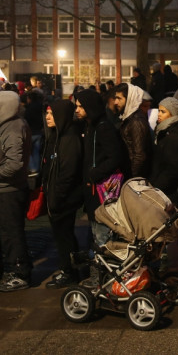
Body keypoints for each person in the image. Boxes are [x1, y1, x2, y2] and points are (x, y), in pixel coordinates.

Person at [0, 90, 32, 292]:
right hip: (11, 187)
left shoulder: (12, 127)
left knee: (11, 232)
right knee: (11, 231)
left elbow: (15, 162)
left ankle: (19, 273)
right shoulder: (10, 125)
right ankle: (18, 268)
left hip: (10, 189)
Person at [41, 99, 83, 289]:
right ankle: (72, 267)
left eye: (52, 113)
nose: (48, 117)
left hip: (64, 198)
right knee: (62, 234)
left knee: (63, 235)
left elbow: (68, 172)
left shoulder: (69, 138)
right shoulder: (56, 135)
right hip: (57, 196)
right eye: (47, 113)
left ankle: (68, 271)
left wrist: (57, 197)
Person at [74, 89, 123, 251]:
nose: (77, 110)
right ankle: (99, 273)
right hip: (93, 191)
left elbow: (115, 157)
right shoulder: (90, 127)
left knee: (103, 238)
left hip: (103, 191)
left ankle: (105, 274)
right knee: (96, 236)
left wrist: (95, 173)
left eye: (81, 106)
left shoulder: (103, 128)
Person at [113, 83, 153, 179]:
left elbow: (139, 156)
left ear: (129, 99)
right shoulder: (128, 118)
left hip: (133, 178)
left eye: (119, 98)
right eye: (115, 98)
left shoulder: (136, 121)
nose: (115, 102)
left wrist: (130, 179)